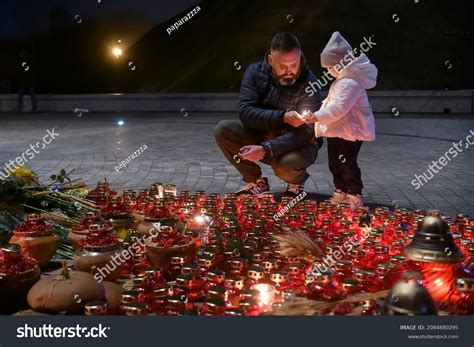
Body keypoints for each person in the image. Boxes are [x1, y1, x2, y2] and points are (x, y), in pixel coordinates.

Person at [214, 32, 323, 197]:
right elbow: (246, 112)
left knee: (285, 166)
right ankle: (255, 181)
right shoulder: (255, 72)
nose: (289, 70)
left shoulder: (310, 83)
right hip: (264, 135)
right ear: (271, 59)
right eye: (283, 65)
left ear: (300, 56)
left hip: (298, 144)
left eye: (294, 64)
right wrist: (282, 117)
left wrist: (266, 149)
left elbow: (305, 132)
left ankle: (295, 181)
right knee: (224, 130)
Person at [303, 31, 377, 209]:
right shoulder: (341, 81)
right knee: (334, 162)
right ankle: (341, 190)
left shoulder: (351, 83)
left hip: (350, 132)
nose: (327, 70)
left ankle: (354, 193)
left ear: (340, 63)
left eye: (329, 66)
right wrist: (317, 114)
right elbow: (332, 104)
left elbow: (339, 108)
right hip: (338, 131)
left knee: (347, 163)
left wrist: (317, 116)